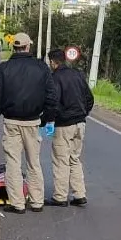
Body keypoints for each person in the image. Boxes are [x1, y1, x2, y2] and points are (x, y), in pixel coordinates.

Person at [0, 32, 58, 213]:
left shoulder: (3, 68)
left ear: (14, 47)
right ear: (28, 46)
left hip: (11, 122)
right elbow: (51, 96)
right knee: (34, 162)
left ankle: (17, 203)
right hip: (33, 122)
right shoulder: (41, 68)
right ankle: (37, 202)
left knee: (13, 163)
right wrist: (48, 119)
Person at [47, 48, 95, 207]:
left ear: (52, 62)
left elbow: (53, 102)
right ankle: (79, 194)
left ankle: (60, 197)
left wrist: (49, 120)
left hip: (64, 124)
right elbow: (89, 98)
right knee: (74, 158)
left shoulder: (55, 78)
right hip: (80, 123)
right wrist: (83, 113)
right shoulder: (78, 75)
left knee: (61, 160)